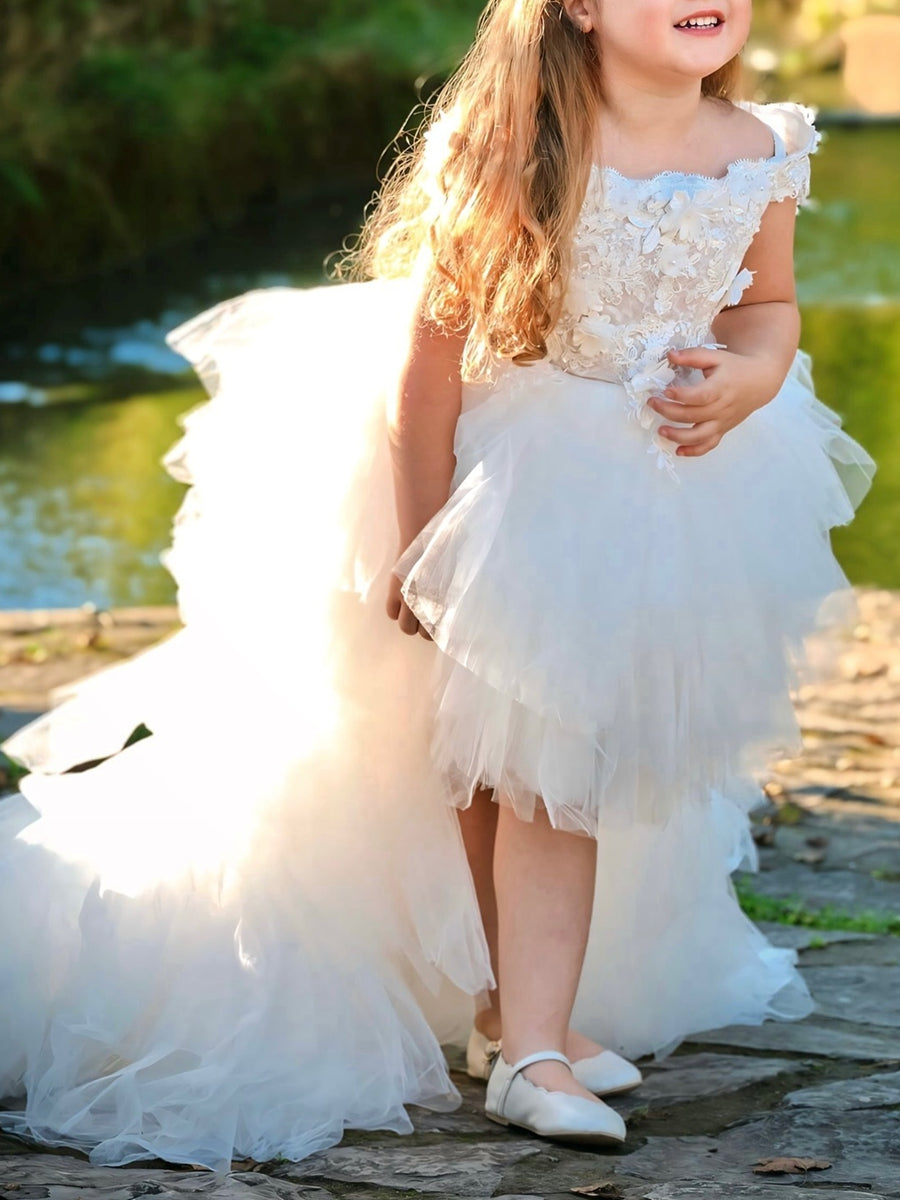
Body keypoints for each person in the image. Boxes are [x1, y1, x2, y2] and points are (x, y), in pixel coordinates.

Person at [0, 0, 875, 1170]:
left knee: (524, 763)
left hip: (668, 491)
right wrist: (424, 546)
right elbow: (430, 361)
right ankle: (533, 1058)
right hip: (511, 483)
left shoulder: (761, 146)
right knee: (544, 777)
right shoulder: (519, 140)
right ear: (577, 6)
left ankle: (512, 1017)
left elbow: (765, 305)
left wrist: (752, 379)